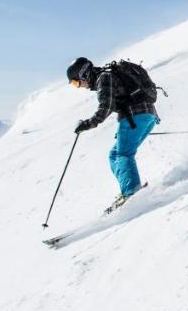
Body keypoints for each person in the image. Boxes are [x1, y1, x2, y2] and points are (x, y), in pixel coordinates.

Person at [66, 57, 160, 209]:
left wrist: (87, 123)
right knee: (114, 154)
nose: (79, 87)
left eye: (76, 82)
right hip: (146, 116)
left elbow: (106, 106)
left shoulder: (104, 77)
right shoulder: (108, 76)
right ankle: (127, 189)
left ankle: (131, 192)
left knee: (123, 154)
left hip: (135, 116)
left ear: (84, 74)